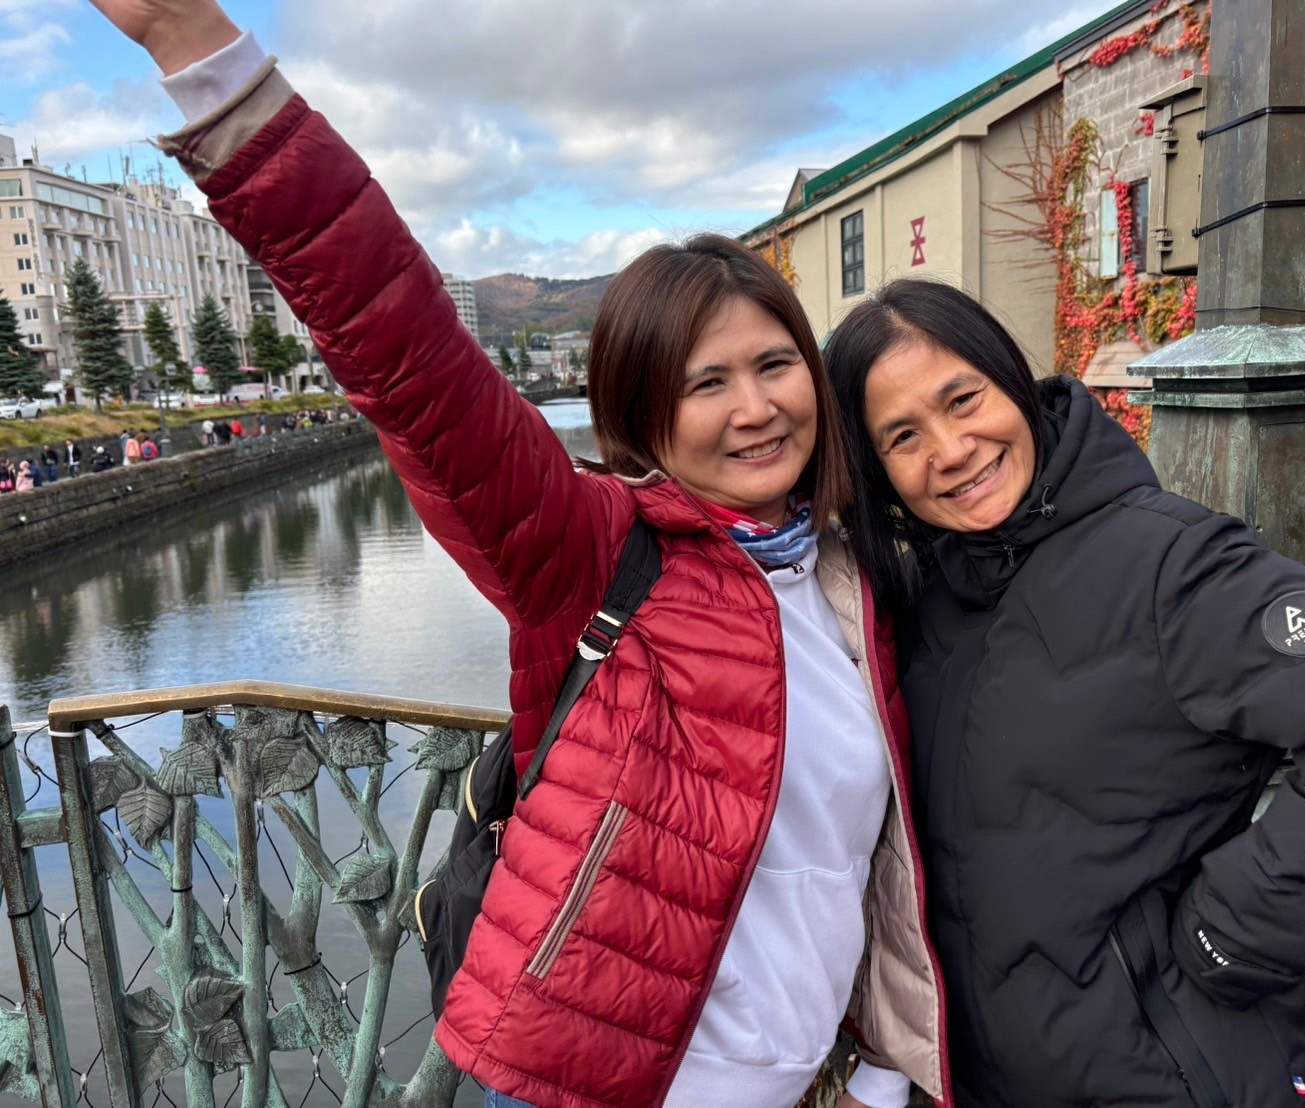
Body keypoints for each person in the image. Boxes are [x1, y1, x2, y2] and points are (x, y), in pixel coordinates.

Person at [86, 5, 950, 1107]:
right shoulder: (594, 552)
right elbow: (405, 349)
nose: (755, 409)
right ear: (642, 411)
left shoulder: (855, 574)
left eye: (774, 365)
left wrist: (877, 1067)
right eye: (705, 383)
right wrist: (203, 57)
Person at [825, 278, 1305, 1108]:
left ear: (1015, 386)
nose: (949, 450)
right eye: (902, 436)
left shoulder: (1168, 567)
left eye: (963, 400)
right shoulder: (929, 604)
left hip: (1161, 1076)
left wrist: (1219, 940)